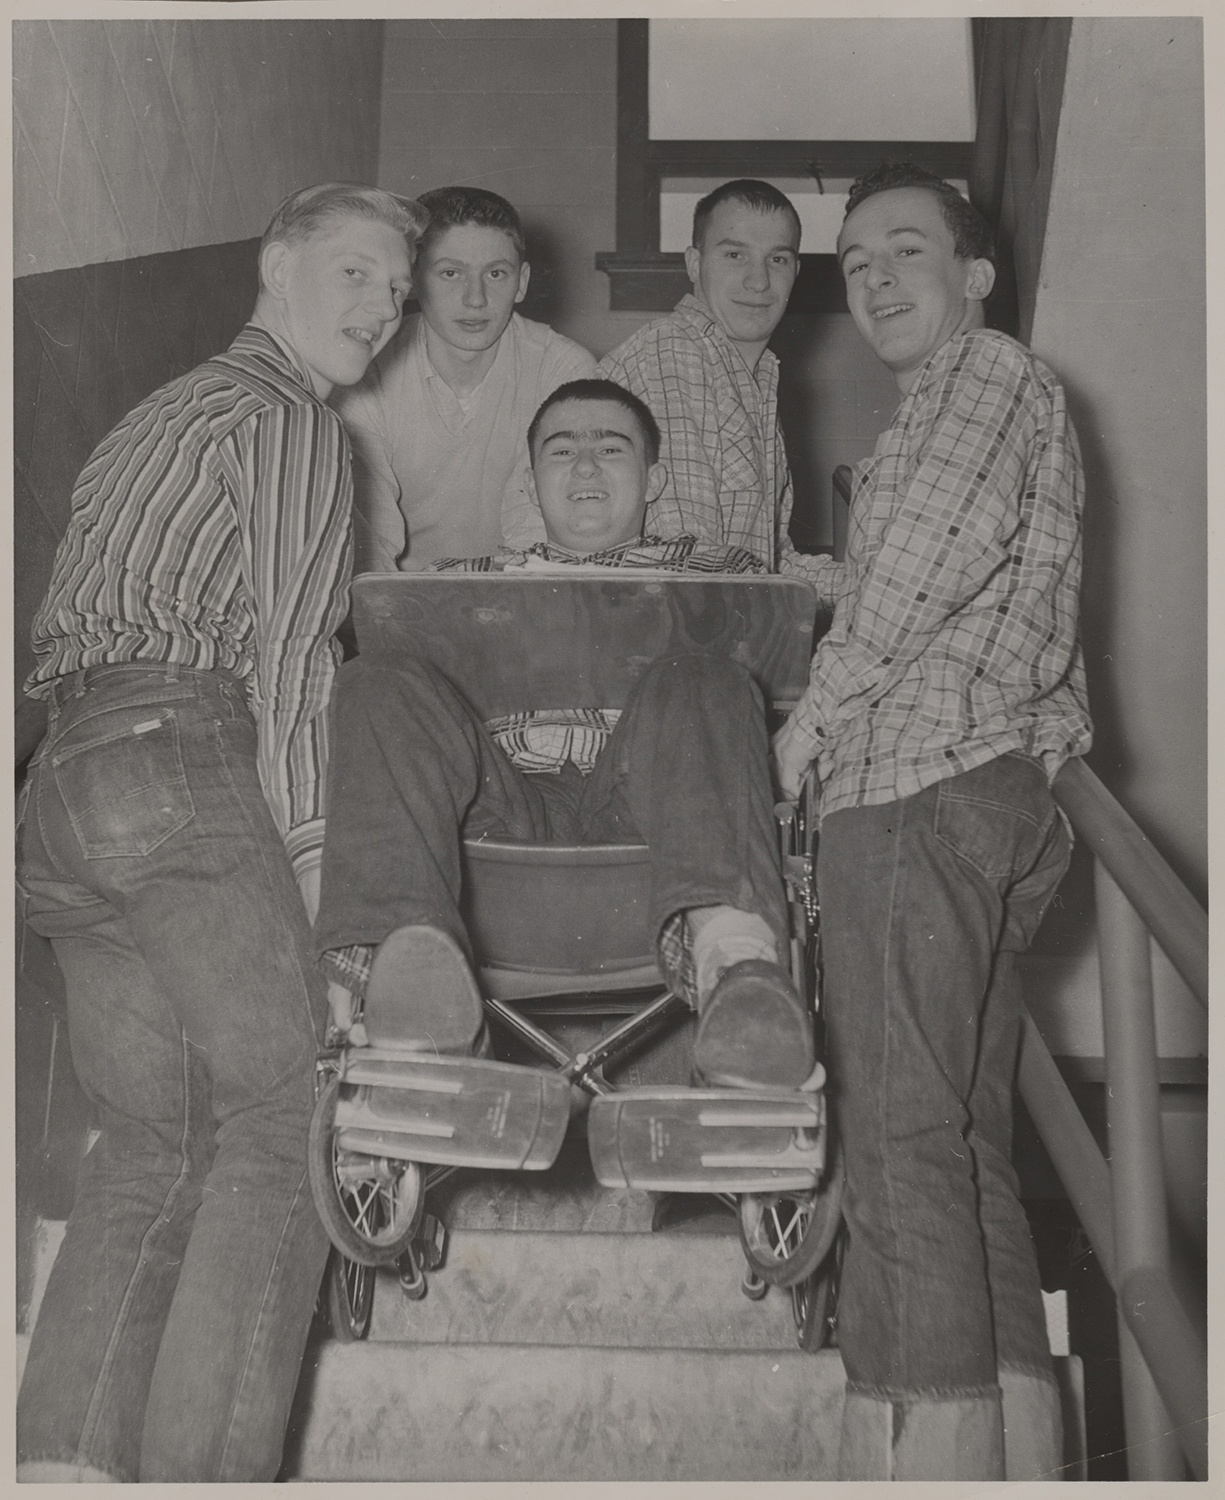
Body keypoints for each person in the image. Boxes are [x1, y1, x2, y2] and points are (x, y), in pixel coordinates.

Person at [16, 182, 427, 1483]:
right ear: (276, 263)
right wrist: (316, 875)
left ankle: (66, 1470)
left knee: (149, 1152)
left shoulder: (156, 411)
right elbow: (302, 668)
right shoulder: (295, 422)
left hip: (61, 796)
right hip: (175, 758)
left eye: (396, 293)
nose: (382, 308)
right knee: (287, 1114)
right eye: (359, 273)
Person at [771, 163, 1093, 1481]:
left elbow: (916, 573)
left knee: (901, 1137)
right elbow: (944, 569)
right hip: (994, 795)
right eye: (854, 263)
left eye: (907, 249)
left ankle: (923, 1455)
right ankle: (1019, 1450)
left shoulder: (984, 377)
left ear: (975, 276)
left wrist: (802, 729)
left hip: (914, 788)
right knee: (963, 1141)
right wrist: (826, 579)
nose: (876, 279)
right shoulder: (976, 406)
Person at [313, 379, 816, 1092]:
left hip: (653, 823)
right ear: (531, 478)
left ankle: (738, 969)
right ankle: (403, 979)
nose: (584, 467)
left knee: (705, 674)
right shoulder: (456, 586)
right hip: (495, 822)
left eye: (610, 449)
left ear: (653, 480)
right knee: (377, 679)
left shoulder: (724, 576)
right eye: (561, 450)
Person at [334, 185, 596, 569]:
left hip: (522, 592)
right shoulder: (368, 371)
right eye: (451, 272)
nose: (476, 298)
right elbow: (370, 543)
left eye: (495, 273)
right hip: (407, 603)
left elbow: (541, 530)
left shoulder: (562, 370)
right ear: (414, 278)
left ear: (521, 282)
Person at [597, 178, 814, 575]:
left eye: (777, 259)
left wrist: (867, 586)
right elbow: (689, 563)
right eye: (735, 255)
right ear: (694, 264)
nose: (759, 281)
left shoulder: (757, 376)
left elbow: (774, 561)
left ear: (796, 271)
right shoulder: (673, 353)